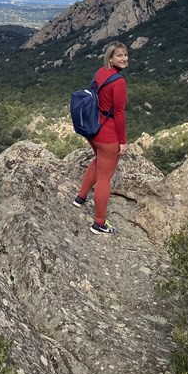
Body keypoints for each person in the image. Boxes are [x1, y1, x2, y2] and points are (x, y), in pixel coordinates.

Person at [72, 41, 129, 235]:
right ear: (111, 58)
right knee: (105, 178)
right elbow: (120, 114)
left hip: (93, 129)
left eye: (125, 55)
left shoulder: (100, 72)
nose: (124, 58)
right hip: (108, 133)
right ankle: (99, 223)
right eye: (119, 55)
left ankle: (80, 197)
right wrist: (123, 141)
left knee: (98, 163)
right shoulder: (119, 82)